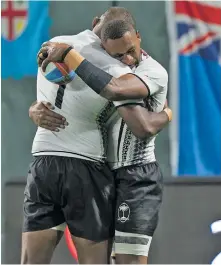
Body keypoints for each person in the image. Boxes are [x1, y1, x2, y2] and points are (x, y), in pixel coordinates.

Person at [31, 16, 171, 265]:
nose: (127, 59)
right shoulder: (101, 64)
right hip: (101, 171)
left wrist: (167, 114)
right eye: (118, 55)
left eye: (130, 51)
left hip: (135, 175)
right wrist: (35, 109)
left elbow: (142, 125)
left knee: (127, 262)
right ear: (104, 48)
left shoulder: (153, 71)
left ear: (138, 36)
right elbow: (70, 99)